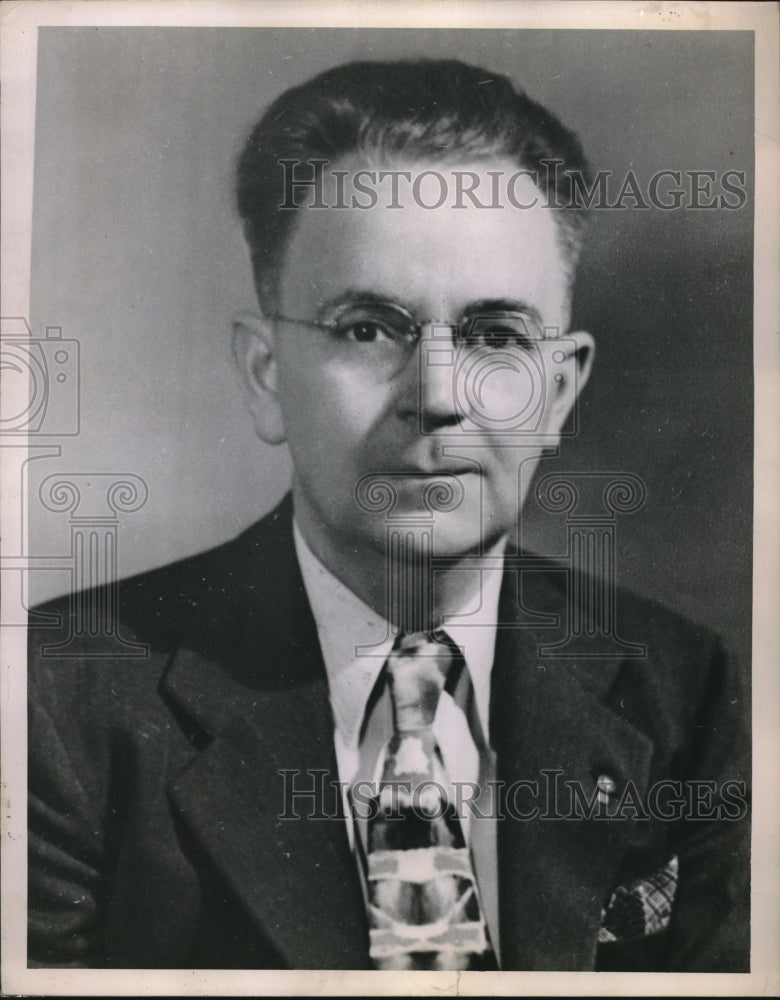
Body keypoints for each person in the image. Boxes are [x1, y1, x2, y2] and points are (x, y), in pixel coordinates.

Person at [27, 58, 749, 972]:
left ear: (559, 392)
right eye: (368, 328)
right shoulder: (55, 700)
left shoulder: (686, 695)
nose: (438, 398)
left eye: (495, 336)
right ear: (265, 377)